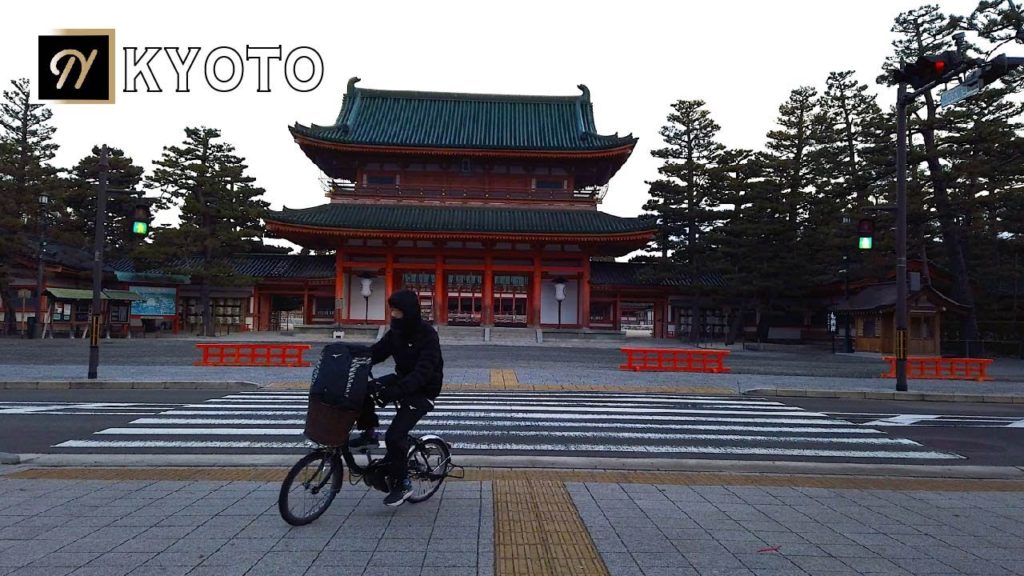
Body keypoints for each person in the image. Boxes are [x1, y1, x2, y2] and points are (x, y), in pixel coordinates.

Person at [349, 288, 444, 506]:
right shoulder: (396, 333)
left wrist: (396, 391)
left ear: (409, 312)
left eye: (397, 312)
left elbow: (424, 372)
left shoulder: (428, 335)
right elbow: (376, 352)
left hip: (424, 390)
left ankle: (403, 484)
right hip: (402, 380)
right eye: (391, 311)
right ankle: (369, 432)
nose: (393, 316)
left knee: (394, 436)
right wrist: (353, 358)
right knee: (363, 389)